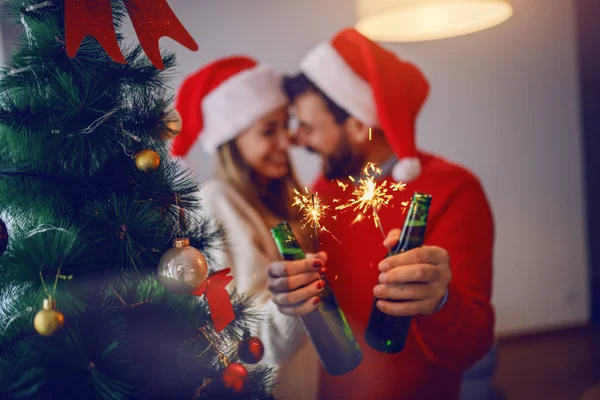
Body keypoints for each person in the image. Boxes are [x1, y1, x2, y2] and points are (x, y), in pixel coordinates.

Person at [265, 28, 495, 400]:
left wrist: (440, 301)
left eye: (307, 127)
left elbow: (472, 347)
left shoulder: (455, 190)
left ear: (358, 125)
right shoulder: (323, 188)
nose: (298, 140)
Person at [170, 56, 321, 400]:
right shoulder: (215, 204)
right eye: (269, 130)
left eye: (286, 125)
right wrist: (291, 306)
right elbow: (227, 333)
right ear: (232, 138)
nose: (287, 141)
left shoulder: (286, 203)